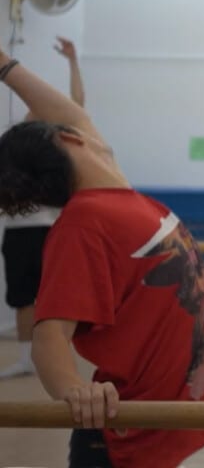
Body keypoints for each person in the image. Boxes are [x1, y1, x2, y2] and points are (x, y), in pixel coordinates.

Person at [0, 41, 204, 468]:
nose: (92, 131)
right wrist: (74, 390)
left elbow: (74, 114)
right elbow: (49, 336)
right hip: (120, 439)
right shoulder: (85, 223)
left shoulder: (116, 196)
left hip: (156, 420)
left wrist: (4, 64)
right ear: (71, 138)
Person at [0, 37, 83, 379]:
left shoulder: (52, 138)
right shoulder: (17, 144)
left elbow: (75, 103)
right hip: (22, 231)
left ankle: (51, 355)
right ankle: (25, 358)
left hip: (50, 229)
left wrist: (73, 62)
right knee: (23, 297)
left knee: (52, 298)